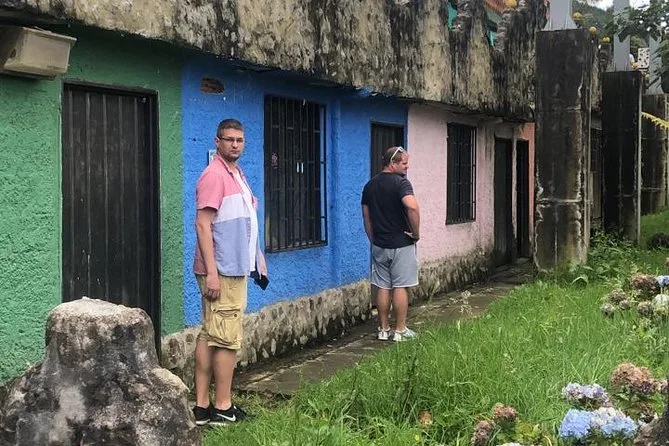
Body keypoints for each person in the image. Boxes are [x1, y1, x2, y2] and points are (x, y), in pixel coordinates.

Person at [192, 119, 267, 426]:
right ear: (217, 141)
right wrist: (212, 273)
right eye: (229, 139)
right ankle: (223, 408)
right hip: (222, 270)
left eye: (240, 140)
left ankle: (201, 407)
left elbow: (244, 221)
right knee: (226, 338)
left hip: (234, 267)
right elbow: (202, 224)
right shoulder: (214, 175)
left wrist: (257, 262)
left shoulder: (236, 173)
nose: (235, 144)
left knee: (211, 333)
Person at [361, 146, 420, 342]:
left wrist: (373, 239)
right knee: (401, 286)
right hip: (401, 243)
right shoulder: (401, 183)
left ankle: (384, 329)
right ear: (392, 163)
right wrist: (416, 233)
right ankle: (400, 330)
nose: (407, 167)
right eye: (404, 163)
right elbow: (412, 206)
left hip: (380, 243)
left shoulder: (369, 186)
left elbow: (367, 218)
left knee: (383, 286)